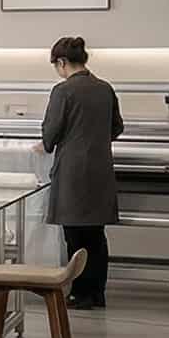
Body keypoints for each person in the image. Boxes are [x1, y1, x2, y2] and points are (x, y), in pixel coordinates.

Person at [41, 34, 124, 310]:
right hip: (100, 171)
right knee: (96, 236)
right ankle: (97, 293)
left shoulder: (63, 91)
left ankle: (79, 293)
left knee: (75, 236)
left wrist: (48, 144)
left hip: (73, 174)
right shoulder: (105, 88)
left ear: (62, 62)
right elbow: (117, 127)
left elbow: (50, 133)